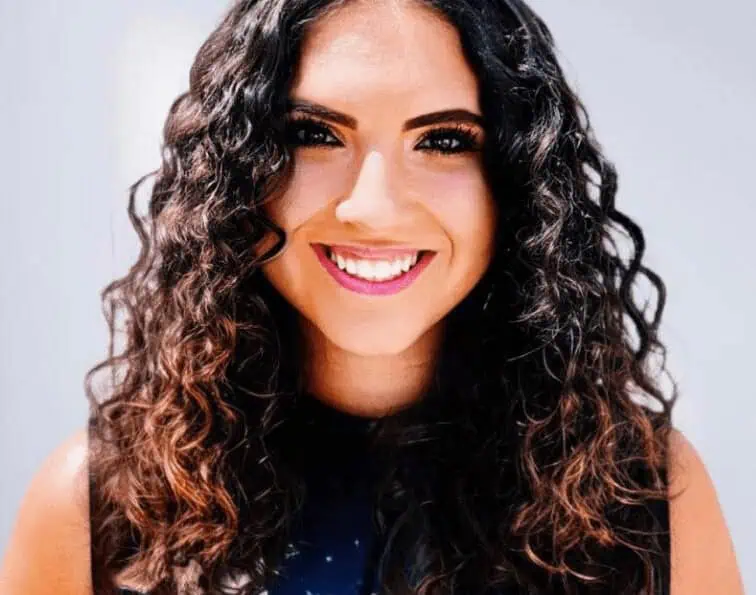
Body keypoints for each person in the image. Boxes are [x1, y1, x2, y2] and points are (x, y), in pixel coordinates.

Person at [0, 0, 745, 593]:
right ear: (235, 175)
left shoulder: (645, 499)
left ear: (519, 185)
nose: (373, 206)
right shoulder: (95, 505)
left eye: (444, 140)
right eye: (315, 134)